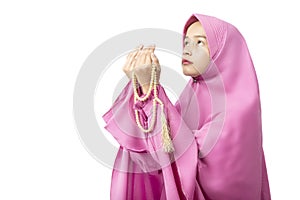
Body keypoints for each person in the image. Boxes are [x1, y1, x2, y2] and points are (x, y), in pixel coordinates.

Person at [102, 13, 271, 200]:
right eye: (187, 42)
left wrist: (151, 91)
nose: (187, 50)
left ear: (225, 51)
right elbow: (158, 151)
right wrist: (145, 92)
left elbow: (195, 170)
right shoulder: (194, 93)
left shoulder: (238, 107)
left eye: (200, 43)